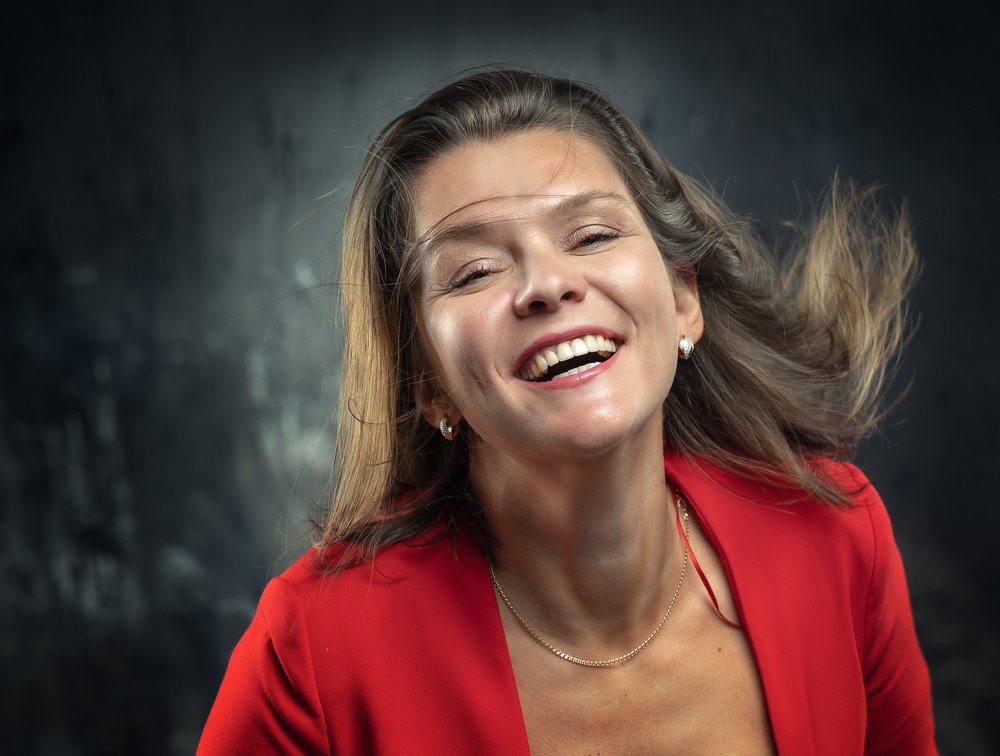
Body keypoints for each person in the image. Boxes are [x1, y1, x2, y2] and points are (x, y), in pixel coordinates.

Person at [198, 68, 935, 754]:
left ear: (684, 297)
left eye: (593, 235)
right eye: (474, 272)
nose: (548, 284)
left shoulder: (837, 535)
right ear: (427, 383)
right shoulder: (312, 649)